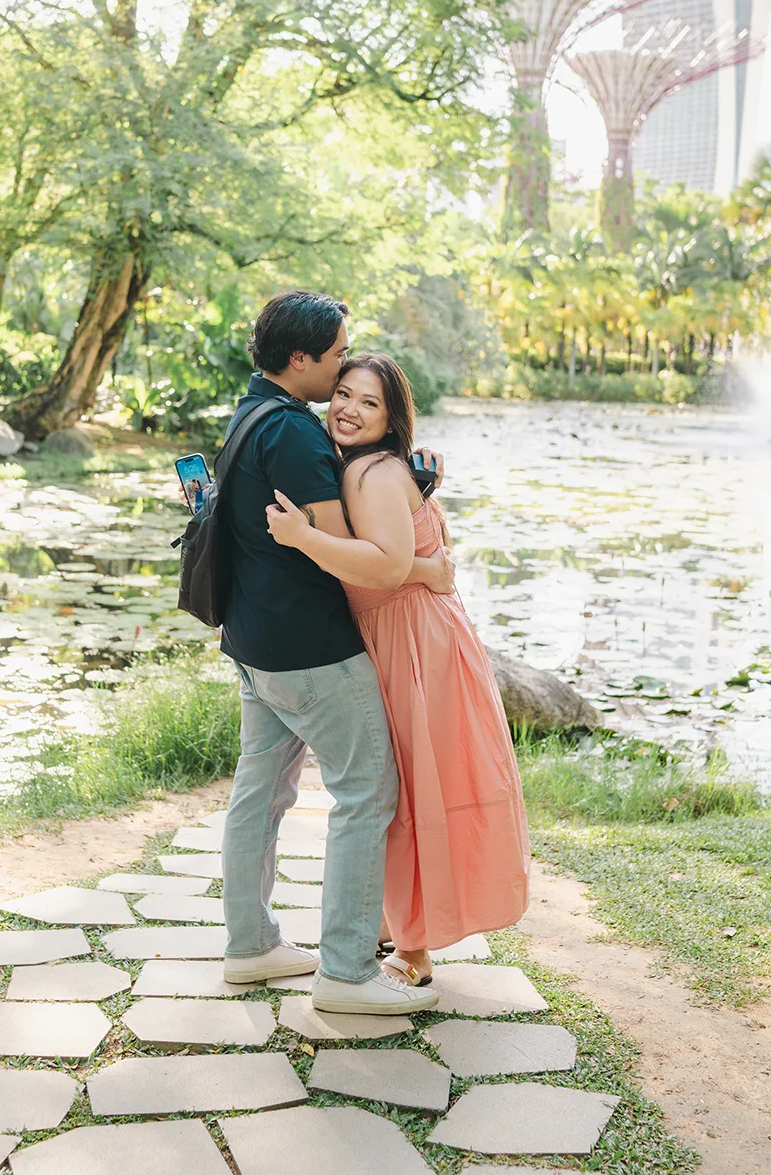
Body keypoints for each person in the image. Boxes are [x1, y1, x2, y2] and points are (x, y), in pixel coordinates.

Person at [219, 292, 453, 1014]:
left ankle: (251, 946)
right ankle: (347, 973)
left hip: (253, 639)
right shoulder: (291, 433)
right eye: (336, 359)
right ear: (302, 360)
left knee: (260, 795)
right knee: (367, 796)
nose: (343, 367)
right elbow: (351, 557)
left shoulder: (248, 413)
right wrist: (420, 565)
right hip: (310, 649)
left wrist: (406, 483)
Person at [267, 352, 530, 987]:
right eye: (345, 395)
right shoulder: (362, 467)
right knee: (399, 784)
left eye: (369, 403)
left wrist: (304, 538)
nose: (350, 410)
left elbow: (381, 562)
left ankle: (413, 949)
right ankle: (390, 924)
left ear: (391, 419)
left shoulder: (372, 473)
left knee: (412, 787)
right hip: (406, 632)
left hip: (412, 641)